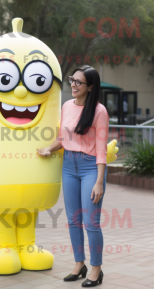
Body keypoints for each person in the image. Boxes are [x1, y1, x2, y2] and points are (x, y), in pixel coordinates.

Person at [37, 65, 109, 287]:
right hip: (68, 165)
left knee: (91, 223)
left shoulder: (99, 111)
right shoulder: (67, 106)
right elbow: (64, 137)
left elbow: (101, 149)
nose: (74, 85)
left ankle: (96, 269)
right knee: (73, 220)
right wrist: (50, 148)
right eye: (72, 80)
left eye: (79, 82)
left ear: (90, 87)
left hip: (89, 168)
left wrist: (99, 181)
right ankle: (80, 264)